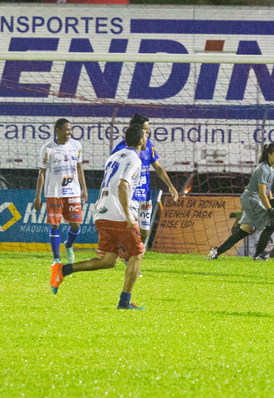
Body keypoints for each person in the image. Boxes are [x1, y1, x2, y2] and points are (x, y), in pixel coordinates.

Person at [49, 122, 147, 309]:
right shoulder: (134, 159)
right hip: (119, 215)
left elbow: (107, 183)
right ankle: (124, 302)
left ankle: (64, 270)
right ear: (141, 141)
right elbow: (122, 185)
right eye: (146, 136)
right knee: (137, 254)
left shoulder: (114, 156)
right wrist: (128, 215)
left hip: (102, 213)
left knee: (108, 261)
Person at [112, 113, 180, 264]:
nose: (148, 132)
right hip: (131, 196)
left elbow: (158, 168)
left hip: (145, 195)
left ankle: (128, 255)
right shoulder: (121, 149)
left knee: (144, 233)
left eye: (148, 128)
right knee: (133, 230)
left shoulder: (149, 145)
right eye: (145, 129)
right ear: (136, 129)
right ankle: (130, 261)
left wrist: (170, 186)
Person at [208, 143, 274, 261]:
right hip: (252, 200)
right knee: (271, 224)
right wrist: (271, 210)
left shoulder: (271, 168)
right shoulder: (263, 169)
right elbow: (262, 194)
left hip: (251, 199)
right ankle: (258, 255)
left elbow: (267, 189)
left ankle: (216, 251)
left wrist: (273, 202)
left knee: (244, 231)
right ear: (269, 155)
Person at [34, 117, 87, 265]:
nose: (69, 132)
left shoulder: (76, 145)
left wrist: (84, 189)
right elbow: (42, 173)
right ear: (58, 131)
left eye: (71, 129)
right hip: (54, 192)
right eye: (66, 130)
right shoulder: (48, 149)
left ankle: (68, 245)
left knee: (76, 225)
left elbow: (79, 167)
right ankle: (56, 259)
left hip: (73, 192)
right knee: (55, 225)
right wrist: (38, 196)